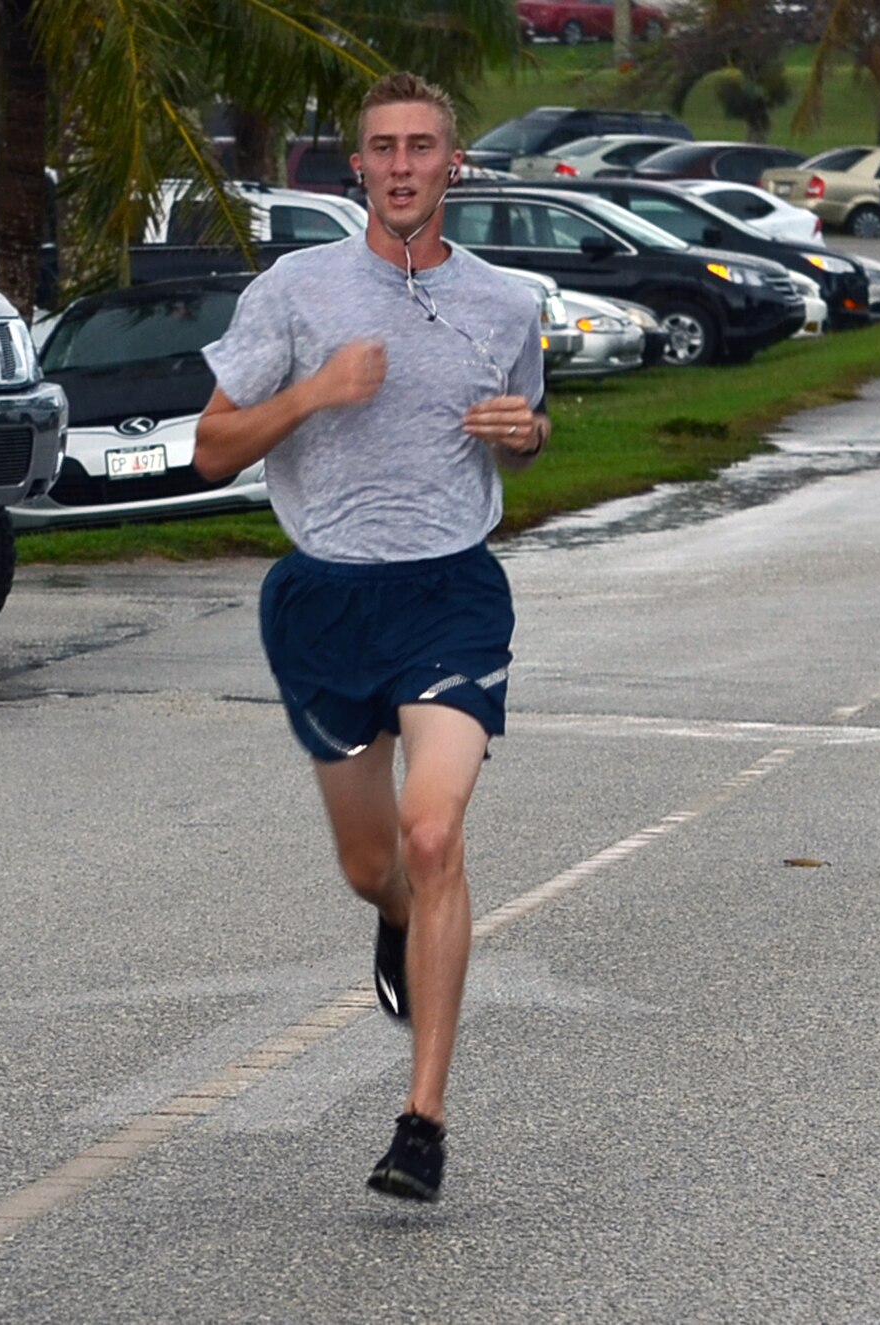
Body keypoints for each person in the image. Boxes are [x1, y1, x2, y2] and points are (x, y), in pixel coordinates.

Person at [194, 71, 549, 1203]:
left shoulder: (505, 302)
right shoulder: (295, 292)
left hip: (449, 591)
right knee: (371, 863)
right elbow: (210, 450)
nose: (401, 166)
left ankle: (422, 1121)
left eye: (421, 147)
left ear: (454, 165)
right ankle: (396, 919)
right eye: (382, 148)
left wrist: (526, 432)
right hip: (324, 601)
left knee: (432, 830)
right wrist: (314, 394)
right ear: (359, 167)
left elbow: (521, 436)